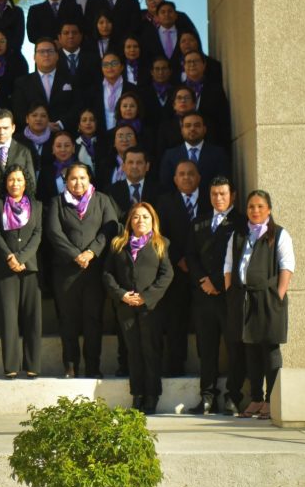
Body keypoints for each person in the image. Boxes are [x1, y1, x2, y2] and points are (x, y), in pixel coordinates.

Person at [44, 162, 120, 378]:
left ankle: (93, 366)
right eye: (73, 179)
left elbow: (110, 227)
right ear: (66, 182)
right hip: (66, 271)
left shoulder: (102, 200)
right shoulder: (57, 203)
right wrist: (74, 254)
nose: (78, 182)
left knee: (93, 319)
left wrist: (91, 252)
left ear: (89, 179)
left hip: (94, 270)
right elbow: (53, 232)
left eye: (82, 178)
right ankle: (70, 365)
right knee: (68, 319)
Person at [224, 190, 295, 420]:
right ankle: (256, 398)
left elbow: (287, 265)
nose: (255, 211)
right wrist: (231, 290)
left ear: (269, 209)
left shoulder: (279, 234)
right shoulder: (239, 234)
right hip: (243, 298)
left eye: (260, 206)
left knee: (270, 349)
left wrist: (278, 295)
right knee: (251, 348)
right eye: (251, 207)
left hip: (269, 298)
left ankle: (271, 401)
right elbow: (228, 264)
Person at [102, 202, 174, 415]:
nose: (140, 220)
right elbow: (107, 274)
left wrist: (146, 297)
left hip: (149, 308)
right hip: (126, 307)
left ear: (153, 221)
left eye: (145, 217)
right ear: (129, 221)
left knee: (150, 351)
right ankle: (138, 394)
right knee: (133, 352)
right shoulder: (118, 244)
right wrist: (122, 295)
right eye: (136, 217)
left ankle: (152, 395)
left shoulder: (160, 244)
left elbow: (167, 274)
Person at [186, 176, 246, 415]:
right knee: (206, 348)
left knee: (234, 346)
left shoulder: (241, 223)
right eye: (214, 194)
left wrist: (220, 284)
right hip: (203, 296)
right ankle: (207, 397)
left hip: (229, 296)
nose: (218, 198)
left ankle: (233, 396)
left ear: (233, 195)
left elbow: (242, 257)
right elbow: (190, 256)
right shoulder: (199, 221)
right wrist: (203, 281)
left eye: (223, 194)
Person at [156, 159, 211, 376]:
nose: (186, 177)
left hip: (204, 272)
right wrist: (178, 258)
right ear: (175, 179)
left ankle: (205, 368)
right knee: (175, 320)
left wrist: (198, 262)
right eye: (182, 174)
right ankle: (175, 366)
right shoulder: (164, 202)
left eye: (191, 174)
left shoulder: (210, 201)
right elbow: (160, 234)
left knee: (204, 323)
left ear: (198, 178)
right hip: (176, 271)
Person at [0, 164, 44, 378]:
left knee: (33, 317)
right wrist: (10, 256)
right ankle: (11, 366)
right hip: (5, 267)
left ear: (26, 183)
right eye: (11, 180)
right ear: (5, 182)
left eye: (19, 180)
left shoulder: (37, 206)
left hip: (30, 267)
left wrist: (21, 257)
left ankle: (32, 365)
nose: (15, 184)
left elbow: (37, 234)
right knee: (8, 317)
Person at [158, 111, 230, 193]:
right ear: (181, 130)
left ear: (204, 129)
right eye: (188, 126)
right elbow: (166, 187)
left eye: (197, 125)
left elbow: (222, 184)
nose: (192, 129)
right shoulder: (170, 156)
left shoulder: (218, 154)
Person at [12, 38, 75, 132]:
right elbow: (19, 111)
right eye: (41, 51)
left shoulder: (71, 80)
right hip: (33, 136)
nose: (46, 55)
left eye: (50, 51)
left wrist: (61, 124)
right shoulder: (22, 83)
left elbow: (77, 106)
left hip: (64, 135)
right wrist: (42, 125)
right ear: (34, 57)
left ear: (57, 56)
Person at [108, 147, 158, 219]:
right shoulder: (111, 192)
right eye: (130, 162)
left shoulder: (160, 192)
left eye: (139, 163)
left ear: (147, 166)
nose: (134, 166)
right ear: (123, 166)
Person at [37, 130, 77, 202]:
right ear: (53, 149)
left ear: (73, 148)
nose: (63, 149)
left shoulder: (84, 169)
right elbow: (41, 199)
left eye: (67, 145)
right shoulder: (45, 172)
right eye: (58, 146)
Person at [75, 108, 100, 175]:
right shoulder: (75, 144)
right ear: (79, 125)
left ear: (96, 123)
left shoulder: (103, 143)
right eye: (84, 120)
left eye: (91, 120)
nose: (88, 123)